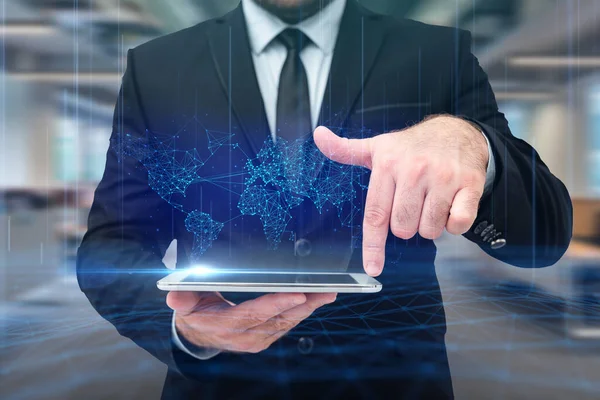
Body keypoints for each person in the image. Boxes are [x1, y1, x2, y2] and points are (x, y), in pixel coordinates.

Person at [76, 0, 573, 398]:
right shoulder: (159, 68)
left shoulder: (436, 54)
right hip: (220, 383)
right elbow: (111, 245)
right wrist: (183, 331)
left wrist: (472, 145)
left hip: (392, 382)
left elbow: (542, 240)